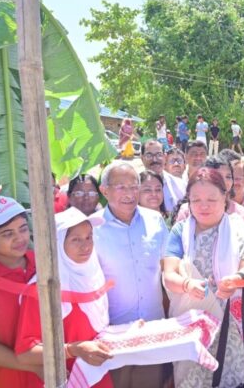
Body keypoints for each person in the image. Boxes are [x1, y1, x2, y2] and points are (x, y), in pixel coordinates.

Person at [163, 167, 244, 388]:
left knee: (232, 379)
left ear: (225, 197)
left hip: (231, 324)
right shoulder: (180, 231)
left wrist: (236, 278)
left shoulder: (238, 228)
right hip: (192, 323)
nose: (203, 206)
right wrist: (187, 284)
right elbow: (168, 275)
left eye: (211, 199)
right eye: (196, 200)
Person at [16, 207, 113, 387]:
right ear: (58, 243)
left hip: (98, 376)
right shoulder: (41, 290)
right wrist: (73, 350)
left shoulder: (94, 275)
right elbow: (25, 353)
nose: (86, 246)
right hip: (62, 380)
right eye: (75, 239)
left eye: (89, 237)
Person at [93, 162, 170, 387]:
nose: (129, 194)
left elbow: (167, 268)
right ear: (104, 190)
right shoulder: (92, 228)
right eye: (121, 187)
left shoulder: (155, 221)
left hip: (152, 329)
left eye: (134, 186)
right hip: (113, 333)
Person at [0, 196, 40, 388]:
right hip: (7, 378)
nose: (19, 238)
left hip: (49, 371)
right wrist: (34, 367)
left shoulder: (43, 263)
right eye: (7, 234)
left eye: (23, 229)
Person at [175, 156, 244, 223]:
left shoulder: (241, 214)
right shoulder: (187, 211)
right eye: (218, 176)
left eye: (228, 177)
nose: (224, 181)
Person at [141, 140, 186, 215]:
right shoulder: (135, 186)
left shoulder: (181, 185)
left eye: (159, 155)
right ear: (142, 158)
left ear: (165, 157)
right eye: (149, 155)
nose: (155, 159)